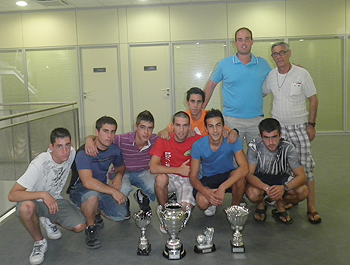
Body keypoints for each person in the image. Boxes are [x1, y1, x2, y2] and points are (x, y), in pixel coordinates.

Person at [263, 41, 321, 224]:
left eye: (282, 53)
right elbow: (260, 91)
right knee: (282, 170)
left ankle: (312, 208)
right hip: (279, 131)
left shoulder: (301, 73)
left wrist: (311, 125)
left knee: (306, 169)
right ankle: (286, 201)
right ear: (272, 57)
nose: (279, 56)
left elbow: (313, 100)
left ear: (289, 54)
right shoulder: (271, 76)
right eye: (275, 54)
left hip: (299, 128)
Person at [8, 128, 85, 265]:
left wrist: (90, 139)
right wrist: (43, 195)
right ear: (51, 147)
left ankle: (47, 219)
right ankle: (39, 242)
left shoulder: (71, 153)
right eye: (59, 146)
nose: (65, 151)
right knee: (26, 208)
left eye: (67, 145)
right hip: (33, 201)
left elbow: (90, 140)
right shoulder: (39, 164)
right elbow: (12, 194)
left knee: (79, 226)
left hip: (55, 200)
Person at [203, 27, 271, 146]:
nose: (243, 43)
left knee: (257, 159)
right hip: (231, 121)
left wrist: (292, 68)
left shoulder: (262, 64)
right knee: (232, 160)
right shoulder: (224, 64)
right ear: (235, 43)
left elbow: (276, 79)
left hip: (256, 121)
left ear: (252, 41)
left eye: (247, 39)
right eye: (240, 40)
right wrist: (201, 111)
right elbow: (210, 86)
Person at [68, 116, 128, 249]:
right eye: (105, 131)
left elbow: (121, 167)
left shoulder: (114, 150)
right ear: (97, 132)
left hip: (100, 186)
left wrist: (118, 176)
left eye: (112, 132)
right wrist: (112, 191)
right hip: (79, 189)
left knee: (120, 215)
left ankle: (95, 211)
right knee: (92, 196)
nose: (109, 135)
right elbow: (87, 182)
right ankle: (90, 227)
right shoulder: (84, 152)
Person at [84, 110, 158, 214]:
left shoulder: (155, 140)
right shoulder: (122, 139)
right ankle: (124, 201)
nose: (146, 132)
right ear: (136, 127)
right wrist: (88, 140)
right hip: (123, 173)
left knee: (156, 185)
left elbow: (168, 135)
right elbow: (102, 137)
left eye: (149, 128)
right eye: (142, 127)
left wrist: (166, 132)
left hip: (143, 172)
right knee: (122, 188)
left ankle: (141, 195)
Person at [246, 118, 309, 224]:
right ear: (260, 136)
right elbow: (248, 174)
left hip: (281, 177)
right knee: (252, 194)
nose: (271, 142)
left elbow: (302, 176)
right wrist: (266, 188)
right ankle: (261, 202)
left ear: (280, 135)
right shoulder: (254, 146)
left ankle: (280, 204)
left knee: (303, 191)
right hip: (260, 177)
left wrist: (284, 188)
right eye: (266, 138)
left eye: (274, 137)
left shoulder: (288, 148)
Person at [189, 109, 249, 217]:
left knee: (240, 177)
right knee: (202, 203)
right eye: (211, 126)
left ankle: (235, 208)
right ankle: (212, 201)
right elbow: (193, 177)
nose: (215, 130)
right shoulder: (198, 146)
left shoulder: (232, 140)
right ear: (206, 128)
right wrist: (206, 192)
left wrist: (222, 187)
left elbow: (244, 167)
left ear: (223, 126)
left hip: (227, 175)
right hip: (208, 178)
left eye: (218, 125)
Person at [149, 111, 201, 232]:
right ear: (172, 126)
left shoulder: (196, 139)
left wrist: (232, 132)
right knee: (160, 179)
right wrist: (178, 170)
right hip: (169, 176)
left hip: (186, 179)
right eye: (178, 125)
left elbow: (216, 139)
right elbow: (153, 167)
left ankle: (176, 203)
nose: (181, 130)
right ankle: (165, 210)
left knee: (183, 213)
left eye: (185, 126)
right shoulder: (163, 139)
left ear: (189, 127)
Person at [158, 87, 238, 142]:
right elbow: (163, 132)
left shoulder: (209, 117)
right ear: (187, 103)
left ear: (203, 103)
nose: (195, 106)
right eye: (193, 101)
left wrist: (233, 132)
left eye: (199, 102)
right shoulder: (183, 118)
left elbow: (231, 132)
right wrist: (164, 133)